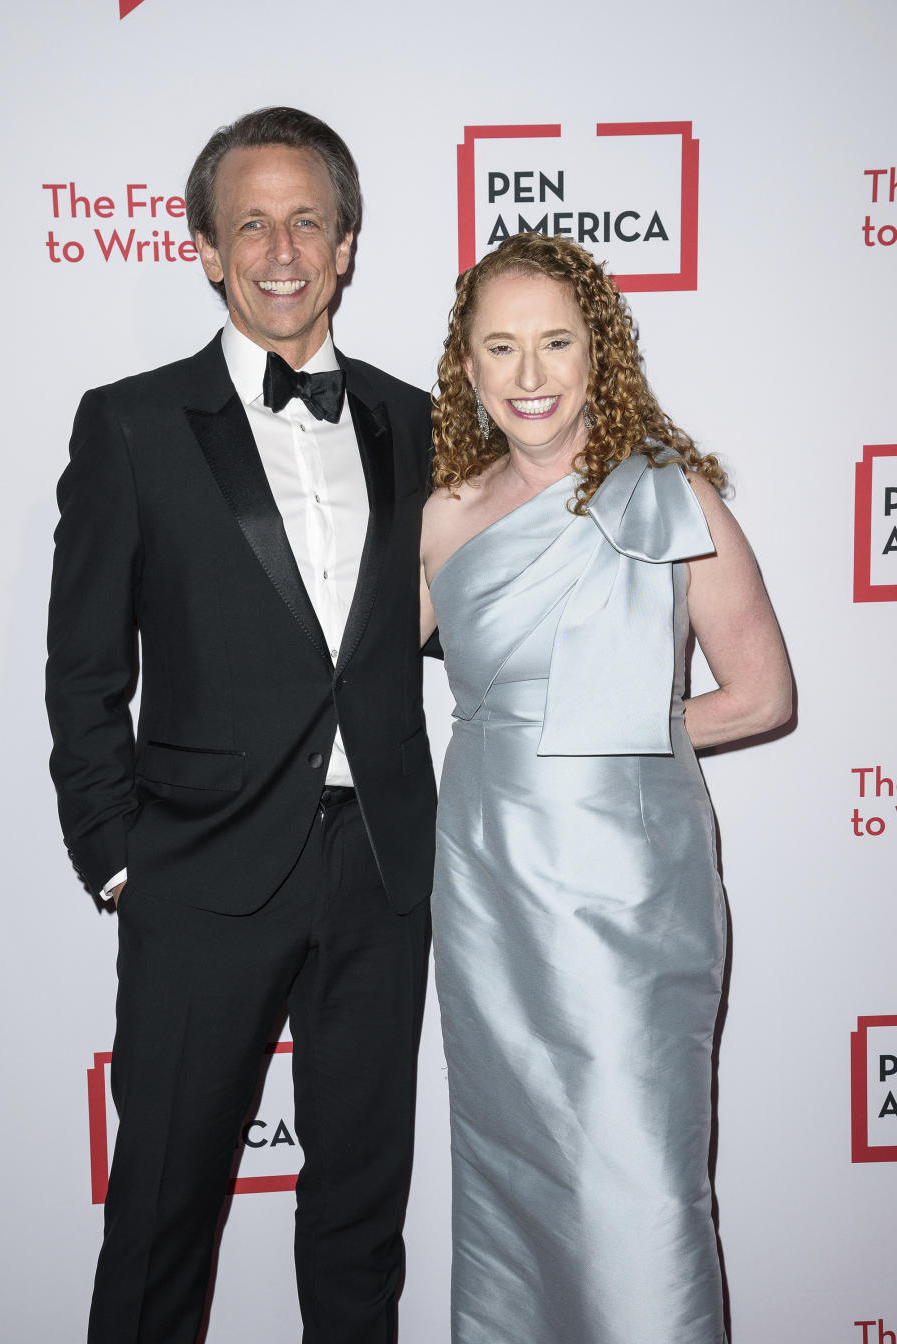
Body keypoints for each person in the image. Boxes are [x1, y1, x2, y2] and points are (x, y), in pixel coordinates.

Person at [46, 106, 436, 1344]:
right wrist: (122, 862)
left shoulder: (419, 421)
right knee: (161, 1217)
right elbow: (85, 667)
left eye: (308, 220)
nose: (282, 248)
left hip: (380, 873)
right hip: (198, 872)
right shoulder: (131, 424)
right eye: (251, 223)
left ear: (349, 243)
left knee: (361, 1221)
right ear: (206, 248)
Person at [419, 231, 792, 1344]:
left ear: (598, 354)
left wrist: (620, 720)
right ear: (469, 369)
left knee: (639, 1180)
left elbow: (762, 694)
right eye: (501, 348)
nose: (529, 376)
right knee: (512, 1177)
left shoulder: (670, 499)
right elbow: (348, 690)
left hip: (633, 891)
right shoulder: (442, 516)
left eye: (554, 344)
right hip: (489, 888)